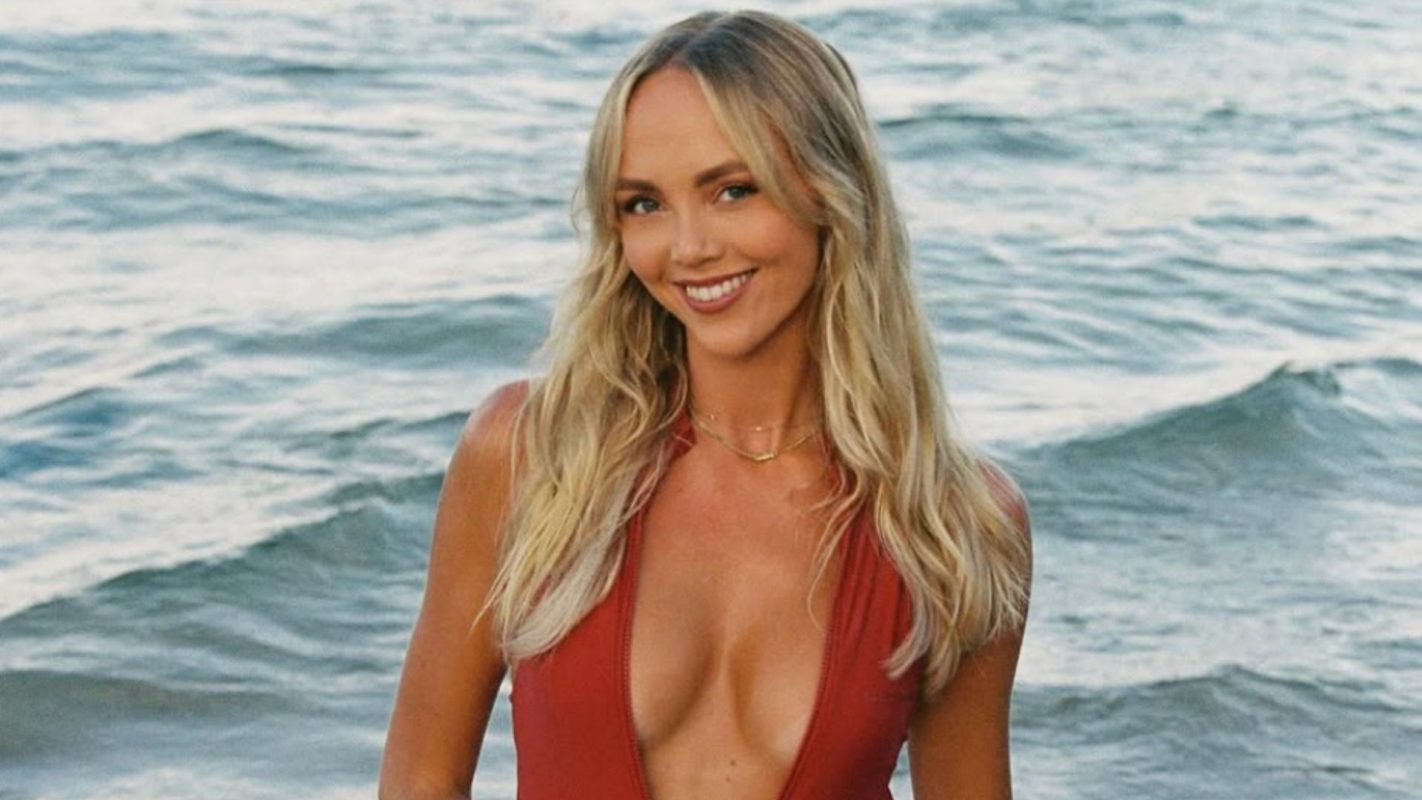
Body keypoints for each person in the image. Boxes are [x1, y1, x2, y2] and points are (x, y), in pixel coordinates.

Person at [380, 9, 1032, 800]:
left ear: (831, 193)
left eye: (732, 190)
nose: (687, 249)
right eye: (643, 204)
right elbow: (421, 780)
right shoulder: (529, 456)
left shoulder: (951, 525)